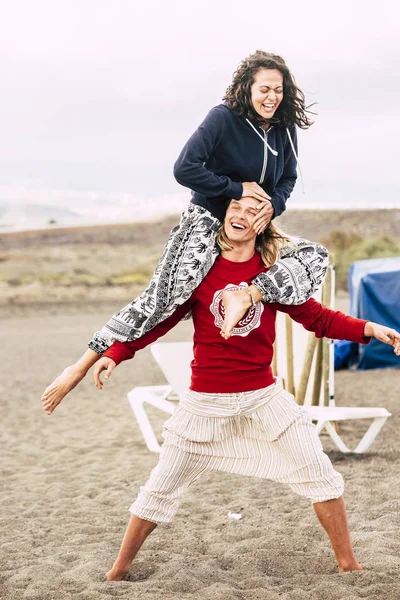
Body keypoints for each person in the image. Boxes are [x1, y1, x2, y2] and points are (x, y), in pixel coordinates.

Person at [83, 196, 400, 581]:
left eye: (252, 211)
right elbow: (158, 321)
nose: (241, 214)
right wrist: (114, 354)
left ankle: (348, 562)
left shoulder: (272, 276)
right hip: (204, 403)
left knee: (320, 473)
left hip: (262, 398)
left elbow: (318, 318)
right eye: (235, 207)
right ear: (223, 214)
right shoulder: (199, 272)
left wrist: (369, 328)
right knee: (160, 488)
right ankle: (119, 569)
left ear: (263, 223)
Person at [41, 50, 328, 415]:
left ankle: (250, 295)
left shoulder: (284, 127)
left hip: (255, 224)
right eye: (265, 89)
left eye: (279, 90)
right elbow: (185, 168)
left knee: (314, 256)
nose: (272, 97)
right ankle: (79, 365)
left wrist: (273, 206)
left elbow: (287, 178)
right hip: (207, 221)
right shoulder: (223, 118)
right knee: (162, 300)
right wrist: (236, 189)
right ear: (247, 88)